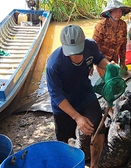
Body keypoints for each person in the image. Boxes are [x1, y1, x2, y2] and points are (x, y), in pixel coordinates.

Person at [46, 24, 109, 168]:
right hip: (64, 103)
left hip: (85, 94)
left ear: (84, 43)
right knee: (64, 140)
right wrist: (77, 117)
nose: (75, 56)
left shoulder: (91, 46)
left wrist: (109, 66)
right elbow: (56, 95)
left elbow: (99, 58)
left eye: (78, 51)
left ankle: (94, 165)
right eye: (71, 52)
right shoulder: (54, 65)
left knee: (98, 126)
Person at [93, 0, 131, 76]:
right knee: (107, 80)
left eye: (119, 11)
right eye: (115, 11)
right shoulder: (101, 26)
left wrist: (123, 62)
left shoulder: (123, 25)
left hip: (115, 59)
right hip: (102, 60)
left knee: (115, 79)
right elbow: (93, 45)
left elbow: (123, 44)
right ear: (109, 13)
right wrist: (91, 64)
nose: (117, 14)